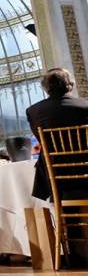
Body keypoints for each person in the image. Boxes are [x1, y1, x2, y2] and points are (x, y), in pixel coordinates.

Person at [27, 68, 88, 200]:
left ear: (46, 89)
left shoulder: (33, 111)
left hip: (55, 178)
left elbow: (41, 141)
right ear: (70, 86)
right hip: (84, 174)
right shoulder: (85, 106)